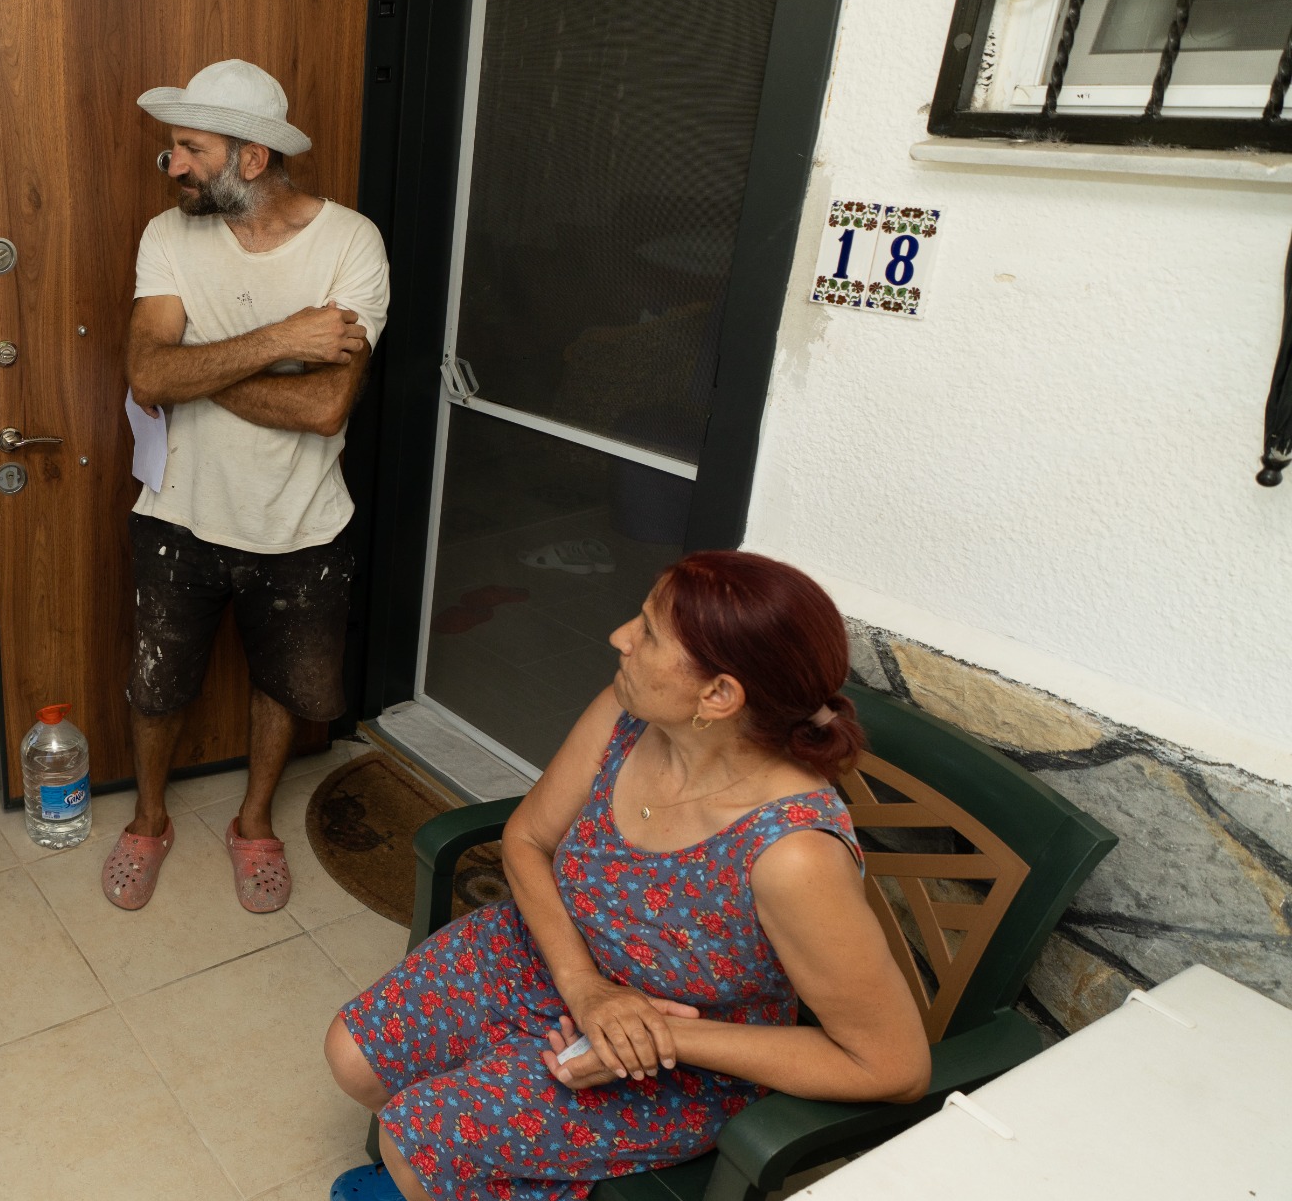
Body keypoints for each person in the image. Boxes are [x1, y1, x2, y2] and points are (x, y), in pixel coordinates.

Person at [323, 551, 931, 1201]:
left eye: (647, 631)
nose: (620, 637)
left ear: (719, 694)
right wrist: (583, 985)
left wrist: (655, 1032)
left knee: (415, 1143)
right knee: (354, 1060)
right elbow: (526, 838)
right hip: (548, 952)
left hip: (674, 1057)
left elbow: (893, 1064)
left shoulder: (791, 852)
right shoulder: (627, 711)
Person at [104, 59, 391, 914]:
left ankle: (254, 821)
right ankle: (149, 819)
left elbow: (326, 404)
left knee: (285, 691)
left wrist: (197, 369)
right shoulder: (168, 235)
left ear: (253, 158)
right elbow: (147, 373)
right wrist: (282, 336)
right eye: (173, 150)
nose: (173, 166)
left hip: (303, 523)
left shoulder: (351, 243)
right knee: (157, 684)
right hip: (177, 514)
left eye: (189, 149)